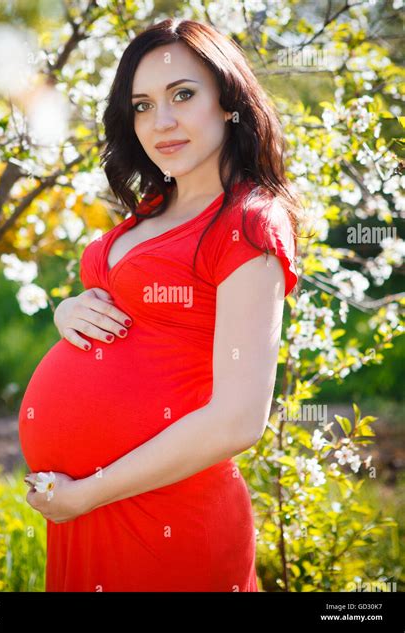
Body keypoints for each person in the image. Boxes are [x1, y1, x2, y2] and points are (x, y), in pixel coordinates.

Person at [19, 17, 301, 592]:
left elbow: (238, 419)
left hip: (162, 515)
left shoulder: (247, 223)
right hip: (85, 513)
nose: (161, 122)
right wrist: (67, 311)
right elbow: (130, 309)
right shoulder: (154, 207)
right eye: (142, 105)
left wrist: (84, 494)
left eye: (183, 95)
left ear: (229, 101)